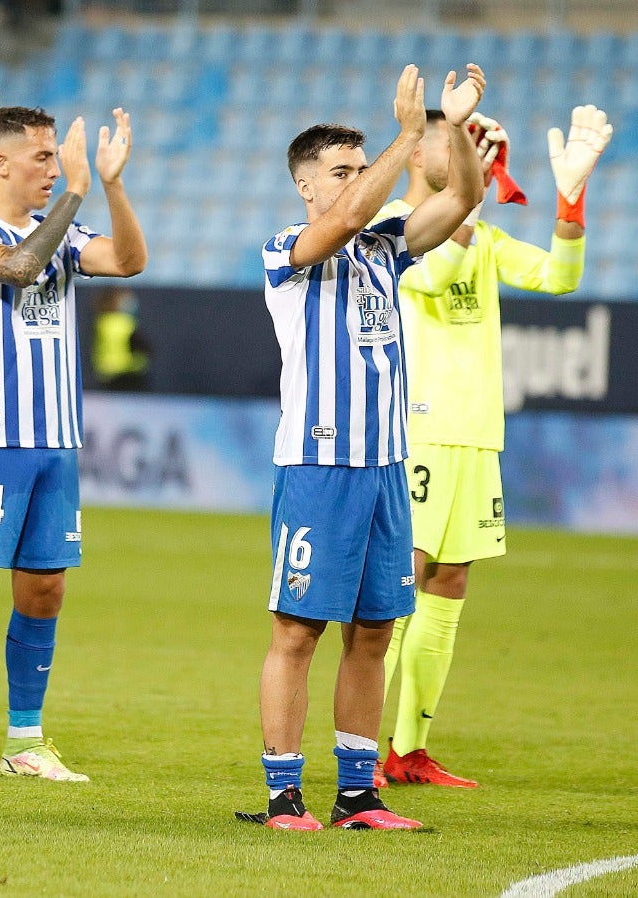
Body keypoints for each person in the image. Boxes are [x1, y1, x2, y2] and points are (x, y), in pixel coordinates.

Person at [237, 64, 486, 832]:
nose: (357, 180)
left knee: (374, 630)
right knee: (297, 629)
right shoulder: (289, 247)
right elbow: (343, 221)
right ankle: (284, 794)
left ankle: (357, 794)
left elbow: (462, 199)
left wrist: (452, 129)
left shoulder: (387, 247)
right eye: (341, 170)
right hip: (318, 464)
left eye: (361, 163)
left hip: (383, 466)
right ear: (307, 185)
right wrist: (409, 138)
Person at [0, 106, 146, 783]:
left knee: (44, 588)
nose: (52, 167)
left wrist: (111, 184)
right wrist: (75, 191)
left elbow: (128, 259)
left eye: (54, 156)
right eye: (40, 156)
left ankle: (24, 740)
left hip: (54, 439)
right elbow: (14, 267)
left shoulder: (63, 231)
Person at [375, 105, 612, 788]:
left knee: (448, 584)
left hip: (476, 435)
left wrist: (571, 199)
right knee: (399, 588)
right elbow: (437, 273)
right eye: (458, 142)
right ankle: (361, 751)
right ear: (420, 153)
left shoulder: (483, 236)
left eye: (475, 146)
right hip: (416, 429)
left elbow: (559, 276)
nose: (470, 154)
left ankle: (409, 748)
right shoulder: (393, 224)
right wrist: (471, 203)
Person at [91, 287, 149, 390]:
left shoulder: (101, 322)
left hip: (105, 373)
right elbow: (141, 346)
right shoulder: (125, 322)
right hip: (127, 373)